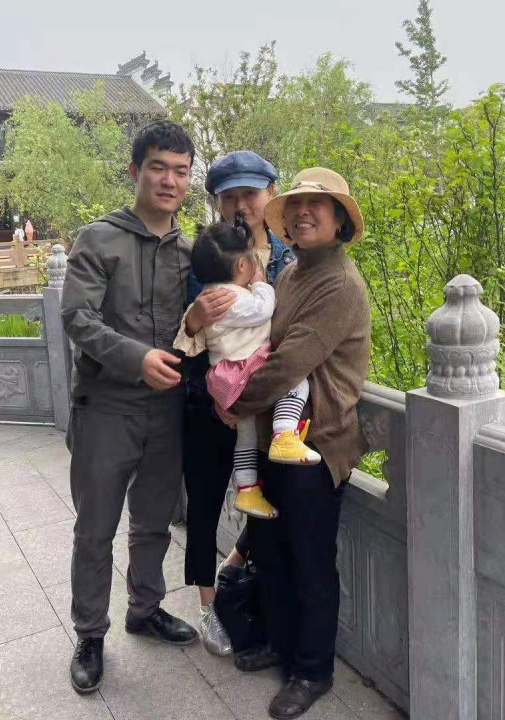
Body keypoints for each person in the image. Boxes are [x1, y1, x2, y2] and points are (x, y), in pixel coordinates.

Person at [219, 167, 371, 719]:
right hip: (275, 437)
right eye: (297, 205)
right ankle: (281, 646)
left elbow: (290, 362)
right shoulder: (291, 274)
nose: (304, 213)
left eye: (317, 206)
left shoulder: (339, 283)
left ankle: (312, 671)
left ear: (339, 221)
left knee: (309, 561)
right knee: (273, 553)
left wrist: (234, 402)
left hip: (316, 443)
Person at [61, 120, 199, 695]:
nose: (169, 181)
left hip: (167, 412)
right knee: (96, 528)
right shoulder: (99, 239)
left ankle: (145, 608)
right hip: (106, 408)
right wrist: (136, 358)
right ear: (135, 170)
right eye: (158, 167)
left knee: (153, 522)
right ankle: (90, 634)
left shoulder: (191, 252)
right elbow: (77, 317)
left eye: (181, 171)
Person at [179, 151, 294, 657]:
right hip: (213, 406)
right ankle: (208, 608)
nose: (241, 206)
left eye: (250, 194)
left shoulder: (291, 257)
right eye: (230, 198)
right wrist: (192, 323)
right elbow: (189, 342)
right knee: (204, 504)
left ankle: (251, 588)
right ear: (218, 203)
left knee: (266, 499)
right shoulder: (206, 255)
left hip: (269, 403)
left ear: (271, 194)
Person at [175, 216, 320, 519]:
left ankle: (247, 488)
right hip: (246, 369)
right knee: (296, 382)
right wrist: (262, 283)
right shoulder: (233, 298)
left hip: (224, 377)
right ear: (243, 265)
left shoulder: (205, 298)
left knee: (246, 435)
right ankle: (284, 434)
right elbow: (263, 310)